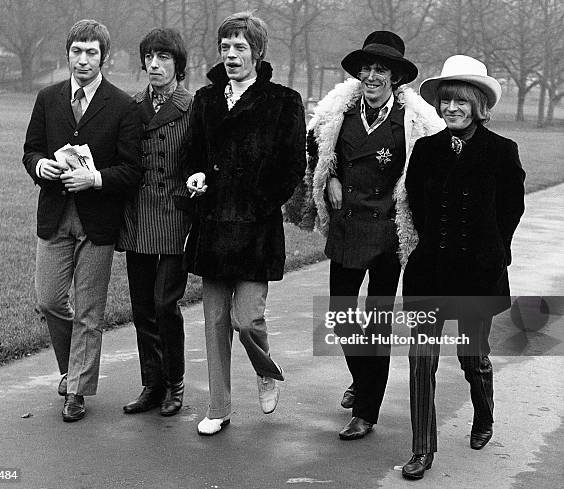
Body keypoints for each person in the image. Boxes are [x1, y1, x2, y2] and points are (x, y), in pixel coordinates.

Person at [305, 31, 444, 440]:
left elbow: (425, 175)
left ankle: (366, 410)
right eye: (366, 69)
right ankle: (365, 379)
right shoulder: (338, 115)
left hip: (386, 234)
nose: (371, 76)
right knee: (342, 318)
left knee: (376, 325)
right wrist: (327, 175)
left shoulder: (413, 124)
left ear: (395, 78)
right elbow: (315, 150)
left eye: (380, 70)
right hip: (346, 229)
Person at [400, 55, 525, 480]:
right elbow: (416, 205)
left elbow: (510, 211)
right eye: (446, 101)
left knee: (472, 357)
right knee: (421, 362)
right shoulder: (426, 150)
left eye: (461, 101)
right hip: (429, 272)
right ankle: (421, 449)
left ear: (478, 105)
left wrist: (493, 256)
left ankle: (483, 415)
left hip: (477, 274)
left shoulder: (502, 152)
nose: (452, 108)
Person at [184, 11, 306, 436]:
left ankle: (265, 368)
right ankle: (218, 408)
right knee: (215, 323)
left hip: (256, 230)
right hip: (213, 227)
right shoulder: (205, 100)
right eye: (225, 47)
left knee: (247, 319)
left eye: (240, 47)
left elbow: (294, 166)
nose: (231, 55)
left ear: (257, 51)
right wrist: (195, 176)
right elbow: (193, 154)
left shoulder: (283, 101)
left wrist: (259, 202)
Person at [22, 19, 141, 422]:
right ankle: (69, 368)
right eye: (77, 51)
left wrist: (95, 177)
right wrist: (41, 167)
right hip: (54, 216)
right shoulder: (48, 97)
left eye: (92, 52)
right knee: (49, 300)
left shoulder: (123, 105)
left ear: (104, 57)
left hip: (98, 222)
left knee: (90, 311)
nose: (83, 60)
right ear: (68, 53)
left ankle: (77, 390)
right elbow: (31, 150)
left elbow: (132, 170)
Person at [117, 28, 192, 417]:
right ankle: (153, 383)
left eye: (163, 57)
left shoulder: (193, 107)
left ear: (178, 64)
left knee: (166, 304)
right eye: (149, 57)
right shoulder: (132, 108)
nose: (154, 64)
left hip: (176, 219)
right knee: (142, 307)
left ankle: (175, 383)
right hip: (138, 218)